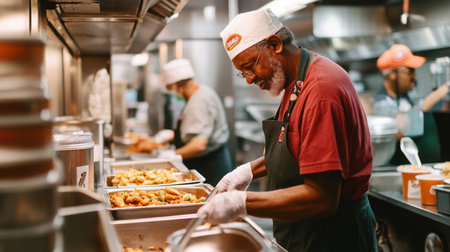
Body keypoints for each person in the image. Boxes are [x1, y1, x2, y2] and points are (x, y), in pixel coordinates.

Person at [197, 9, 377, 252]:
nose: (249, 79)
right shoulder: (294, 82)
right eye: (243, 72)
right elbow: (296, 150)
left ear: (275, 44)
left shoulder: (321, 91)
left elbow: (322, 198)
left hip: (335, 236)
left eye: (250, 67)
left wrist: (241, 202)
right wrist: (247, 171)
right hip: (305, 231)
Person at [160, 58, 232, 186]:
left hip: (209, 167)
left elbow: (198, 145)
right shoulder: (201, 92)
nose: (171, 92)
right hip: (208, 161)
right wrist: (169, 136)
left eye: (171, 88)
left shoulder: (199, 101)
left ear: (178, 85)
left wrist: (172, 155)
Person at [373, 44, 449, 139]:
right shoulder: (382, 104)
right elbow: (400, 130)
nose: (414, 76)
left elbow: (422, 105)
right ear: (392, 75)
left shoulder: (408, 96)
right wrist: (445, 88)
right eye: (409, 72)